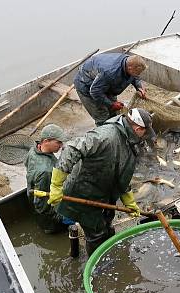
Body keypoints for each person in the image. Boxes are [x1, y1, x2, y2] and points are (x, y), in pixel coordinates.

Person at [48, 108, 156, 255]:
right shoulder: (106, 135)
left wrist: (129, 202)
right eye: (145, 132)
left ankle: (108, 249)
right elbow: (72, 149)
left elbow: (122, 173)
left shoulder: (128, 138)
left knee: (107, 226)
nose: (145, 137)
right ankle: (97, 267)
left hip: (104, 192)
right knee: (96, 234)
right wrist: (56, 185)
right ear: (137, 129)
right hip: (84, 194)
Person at [74, 53, 148, 125]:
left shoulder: (129, 61)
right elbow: (95, 91)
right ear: (130, 68)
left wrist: (139, 86)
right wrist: (112, 104)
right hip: (86, 85)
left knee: (114, 111)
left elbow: (135, 77)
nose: (138, 74)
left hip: (103, 82)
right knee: (102, 116)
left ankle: (115, 127)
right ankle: (105, 134)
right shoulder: (110, 73)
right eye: (137, 72)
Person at [25, 124, 70, 234]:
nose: (61, 146)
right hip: (50, 217)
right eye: (58, 142)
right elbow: (42, 205)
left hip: (33, 194)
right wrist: (61, 218)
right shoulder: (46, 172)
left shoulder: (34, 150)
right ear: (46, 141)